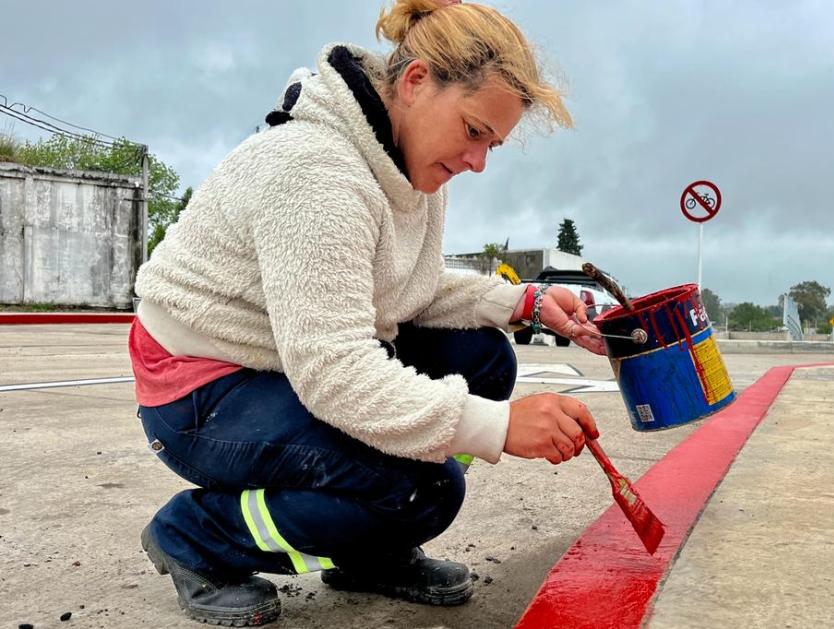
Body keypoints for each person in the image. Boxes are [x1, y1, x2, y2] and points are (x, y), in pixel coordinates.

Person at [130, 0, 605, 624]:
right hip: (204, 391)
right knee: (421, 492)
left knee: (482, 356)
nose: (478, 161)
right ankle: (197, 535)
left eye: (492, 143)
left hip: (282, 365)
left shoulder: (402, 164)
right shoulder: (315, 172)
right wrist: (497, 428)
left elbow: (410, 288)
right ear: (414, 82)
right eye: (472, 131)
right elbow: (334, 371)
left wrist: (528, 302)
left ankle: (366, 545)